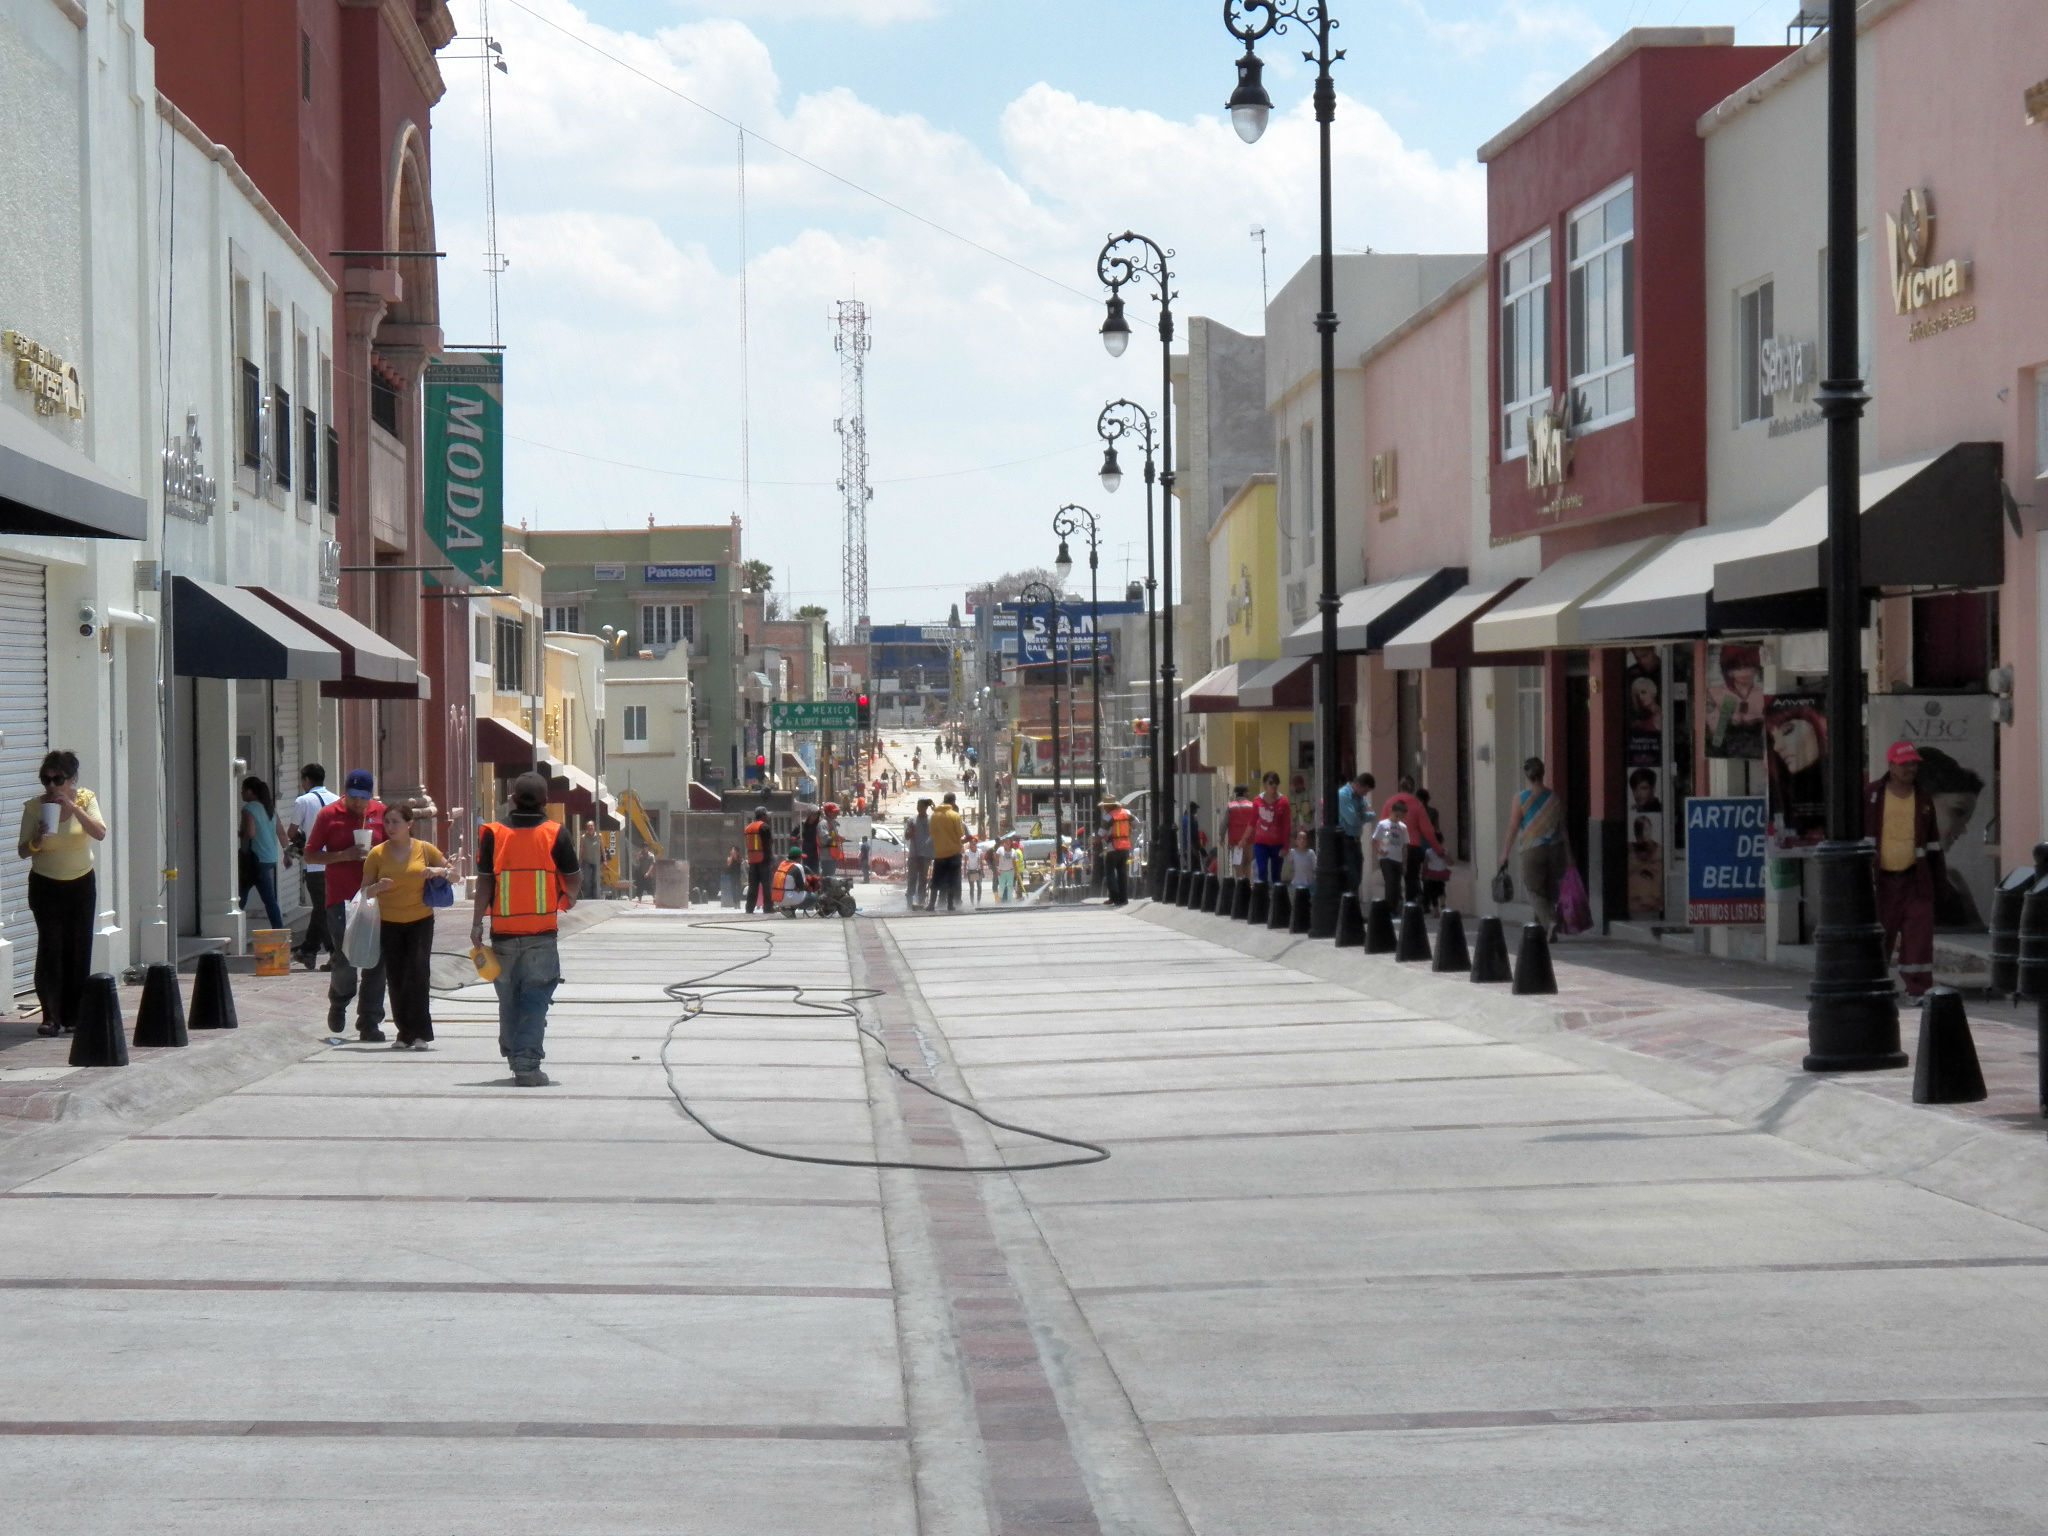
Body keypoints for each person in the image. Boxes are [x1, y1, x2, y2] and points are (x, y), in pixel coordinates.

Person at [473, 771, 581, 1086]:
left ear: (512, 798)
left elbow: (484, 882)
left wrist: (476, 922)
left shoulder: (493, 834)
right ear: (546, 801)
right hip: (541, 935)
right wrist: (569, 898)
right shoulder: (555, 833)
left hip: (504, 935)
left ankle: (513, 1049)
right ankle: (526, 1064)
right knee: (534, 1000)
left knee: (508, 997)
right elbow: (572, 877)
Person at [15, 749, 106, 1037]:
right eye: (46, 780)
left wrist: (74, 807)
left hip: (80, 883)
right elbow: (22, 851)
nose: (52, 786)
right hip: (46, 884)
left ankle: (74, 1016)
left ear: (72, 779)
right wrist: (38, 839)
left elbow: (100, 832)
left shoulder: (86, 799)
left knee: (78, 947)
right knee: (51, 946)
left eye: (58, 779)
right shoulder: (34, 807)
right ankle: (51, 1016)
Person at [304, 769, 389, 1043]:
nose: (358, 804)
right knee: (345, 957)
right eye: (353, 798)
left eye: (363, 798)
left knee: (376, 959)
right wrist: (344, 855)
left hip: (374, 897)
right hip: (340, 899)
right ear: (345, 793)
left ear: (371, 795)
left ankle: (369, 1020)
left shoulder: (381, 813)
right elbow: (310, 853)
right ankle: (339, 1002)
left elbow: (395, 845)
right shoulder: (329, 815)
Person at [361, 803, 449, 1050]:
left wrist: (437, 870)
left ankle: (421, 1033)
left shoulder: (424, 849)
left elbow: (454, 874)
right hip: (389, 922)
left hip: (420, 920)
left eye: (395, 822)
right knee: (396, 976)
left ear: (409, 824)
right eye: (386, 822)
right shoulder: (377, 854)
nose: (390, 827)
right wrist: (377, 888)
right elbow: (363, 891)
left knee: (418, 973)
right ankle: (404, 1032)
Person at [1866, 740, 1944, 998]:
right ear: (1891, 766)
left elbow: (1933, 843)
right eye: (1904, 764)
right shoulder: (1871, 795)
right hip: (1881, 882)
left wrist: (1937, 882)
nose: (1910, 768)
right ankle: (1875, 984)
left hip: (1915, 881)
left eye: (1913, 763)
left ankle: (1919, 989)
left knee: (1919, 937)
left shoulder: (1923, 798)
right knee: (1879, 934)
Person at [1499, 756, 1567, 939]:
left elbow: (1513, 826)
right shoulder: (1553, 797)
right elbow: (1562, 828)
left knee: (1533, 890)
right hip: (1554, 849)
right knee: (1549, 890)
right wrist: (1569, 855)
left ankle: (1549, 922)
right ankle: (1542, 931)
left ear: (1527, 775)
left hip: (1532, 850)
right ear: (1542, 773)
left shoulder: (1521, 798)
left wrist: (1505, 853)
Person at [290, 764, 339, 969]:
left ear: (306, 780)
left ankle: (321, 951)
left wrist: (300, 842)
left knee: (322, 909)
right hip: (336, 862)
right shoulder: (337, 800)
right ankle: (312, 951)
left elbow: (292, 831)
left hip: (316, 864)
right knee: (326, 909)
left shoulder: (303, 801)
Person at [1380, 777, 1441, 903]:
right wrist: (1438, 849)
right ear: (1413, 788)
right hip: (1412, 846)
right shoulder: (1417, 805)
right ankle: (1411, 907)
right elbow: (1428, 831)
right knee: (1412, 878)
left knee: (1392, 880)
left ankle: (1393, 908)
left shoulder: (1389, 803)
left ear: (1399, 787)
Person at [238, 776, 285, 930]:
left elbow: (250, 833)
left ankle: (236, 926)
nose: (241, 793)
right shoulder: (270, 808)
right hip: (269, 858)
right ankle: (279, 931)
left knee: (242, 895)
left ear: (250, 791)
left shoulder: (249, 808)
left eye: (243, 790)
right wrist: (289, 854)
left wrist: (239, 833)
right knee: (267, 898)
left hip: (254, 858)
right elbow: (281, 833)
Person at [1336, 771, 1376, 901]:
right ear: (1358, 785)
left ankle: (1351, 904)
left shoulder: (1360, 798)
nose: (1365, 795)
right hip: (1345, 839)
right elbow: (1352, 820)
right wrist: (1362, 815)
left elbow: (1372, 814)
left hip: (1356, 840)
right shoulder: (1343, 795)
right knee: (1350, 874)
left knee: (1357, 874)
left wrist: (1361, 815)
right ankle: (1347, 904)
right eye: (1365, 791)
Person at [1251, 771, 1291, 885]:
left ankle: (1276, 900)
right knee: (1262, 872)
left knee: (1276, 874)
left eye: (1276, 783)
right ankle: (1263, 899)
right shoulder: (1257, 801)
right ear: (1265, 785)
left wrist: (1285, 846)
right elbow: (1252, 821)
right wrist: (1244, 839)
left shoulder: (1283, 801)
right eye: (1271, 783)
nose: (1274, 786)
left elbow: (1286, 825)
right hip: (1261, 843)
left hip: (1277, 844)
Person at [928, 793, 966, 911]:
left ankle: (931, 905)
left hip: (939, 853)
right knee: (952, 879)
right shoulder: (954, 815)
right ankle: (950, 904)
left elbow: (932, 833)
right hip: (953, 853)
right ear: (953, 802)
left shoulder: (934, 816)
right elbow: (961, 834)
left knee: (936, 880)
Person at [1416, 789, 1450, 915]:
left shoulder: (1415, 811)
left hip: (1419, 845)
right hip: (1430, 844)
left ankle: (1426, 902)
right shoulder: (1433, 812)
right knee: (1431, 877)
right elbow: (1437, 829)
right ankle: (1431, 902)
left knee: (1424, 875)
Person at [1371, 804, 1410, 906]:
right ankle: (1389, 907)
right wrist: (1379, 850)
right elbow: (1375, 840)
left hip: (1398, 859)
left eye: (1401, 817)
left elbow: (1405, 846)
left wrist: (1405, 863)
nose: (1398, 818)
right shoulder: (1383, 824)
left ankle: (1396, 906)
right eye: (1397, 815)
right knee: (1390, 882)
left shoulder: (1402, 827)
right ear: (1392, 812)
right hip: (1386, 858)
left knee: (1397, 884)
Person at [1102, 798, 1133, 906]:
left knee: (1110, 872)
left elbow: (1101, 832)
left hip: (1113, 847)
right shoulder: (1127, 813)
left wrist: (1098, 839)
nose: (1104, 808)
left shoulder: (1108, 817)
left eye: (1105, 806)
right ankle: (1124, 899)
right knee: (1122, 873)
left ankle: (1114, 897)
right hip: (1125, 846)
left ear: (1110, 806)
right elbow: (1137, 824)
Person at [768, 843, 817, 911]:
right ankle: (791, 908)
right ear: (797, 858)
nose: (801, 860)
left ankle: (786, 907)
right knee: (813, 897)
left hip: (776, 900)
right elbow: (802, 886)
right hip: (788, 899)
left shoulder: (781, 865)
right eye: (800, 858)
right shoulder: (797, 866)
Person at [743, 806, 772, 913]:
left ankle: (749, 908)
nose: (767, 816)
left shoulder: (748, 828)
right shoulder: (764, 827)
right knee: (766, 886)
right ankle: (768, 908)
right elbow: (767, 845)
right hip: (763, 860)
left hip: (752, 861)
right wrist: (770, 859)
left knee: (753, 887)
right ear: (763, 815)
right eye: (766, 815)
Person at [906, 800, 933, 908]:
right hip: (914, 855)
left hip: (925, 855)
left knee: (923, 879)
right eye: (918, 806)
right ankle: (909, 901)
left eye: (921, 807)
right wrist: (910, 832)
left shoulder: (932, 820)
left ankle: (921, 902)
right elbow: (907, 836)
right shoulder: (911, 820)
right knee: (912, 878)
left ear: (926, 808)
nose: (919, 809)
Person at [1224, 784, 1255, 879]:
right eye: (1248, 792)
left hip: (1235, 841)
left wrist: (1221, 837)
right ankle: (1248, 886)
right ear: (1245, 793)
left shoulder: (1230, 806)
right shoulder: (1252, 805)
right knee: (1248, 863)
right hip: (1249, 840)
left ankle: (1240, 886)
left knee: (1238, 864)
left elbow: (1224, 823)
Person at [1281, 827, 1317, 894]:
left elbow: (1316, 866)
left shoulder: (1311, 853)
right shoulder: (1293, 852)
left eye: (1304, 839)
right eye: (1299, 839)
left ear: (1307, 841)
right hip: (1296, 884)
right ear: (1296, 841)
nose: (1302, 841)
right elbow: (1284, 858)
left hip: (1309, 884)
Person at [578, 824, 605, 901]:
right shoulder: (583, 837)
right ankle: (587, 896)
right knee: (587, 879)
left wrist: (605, 860)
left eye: (592, 826)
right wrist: (579, 860)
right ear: (587, 828)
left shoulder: (599, 836)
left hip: (596, 862)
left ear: (594, 827)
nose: (590, 828)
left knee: (596, 879)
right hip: (586, 861)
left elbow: (602, 849)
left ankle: (596, 896)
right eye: (589, 826)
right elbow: (581, 850)